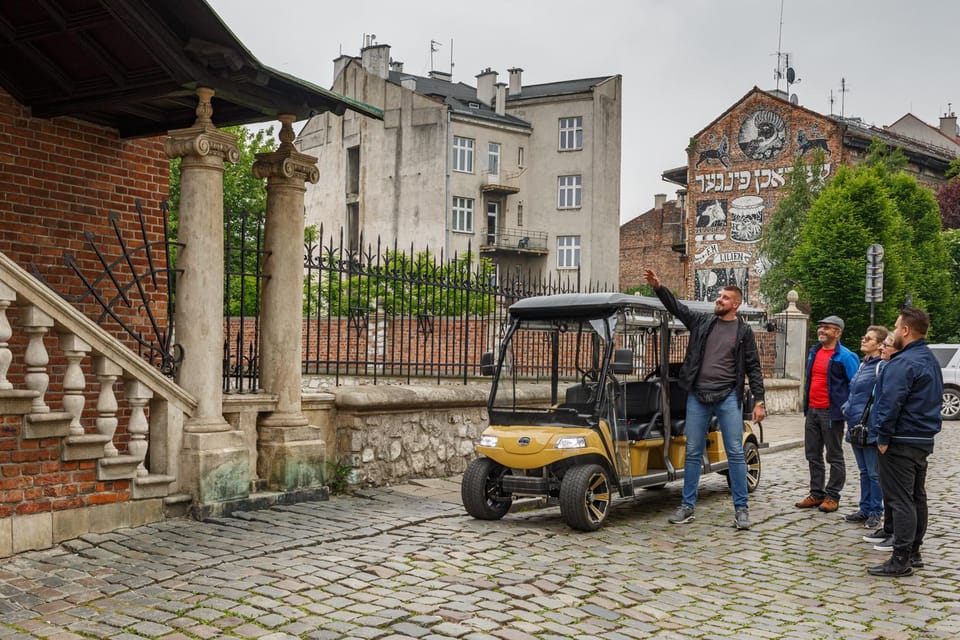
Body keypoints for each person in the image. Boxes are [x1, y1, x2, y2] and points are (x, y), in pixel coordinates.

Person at [642, 269, 765, 530]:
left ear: (736, 303)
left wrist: (759, 401)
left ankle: (741, 509)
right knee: (693, 452)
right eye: (719, 296)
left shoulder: (743, 332)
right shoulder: (702, 322)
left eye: (724, 297)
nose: (718, 299)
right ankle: (687, 506)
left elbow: (753, 367)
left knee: (735, 452)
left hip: (727, 397)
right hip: (697, 396)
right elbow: (677, 308)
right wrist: (659, 287)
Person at [867, 307, 942, 577]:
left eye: (897, 327)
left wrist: (883, 437)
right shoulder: (928, 358)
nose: (895, 331)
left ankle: (901, 559)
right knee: (916, 496)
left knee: (900, 500)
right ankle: (914, 551)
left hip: (900, 439)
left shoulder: (903, 362)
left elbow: (889, 403)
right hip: (921, 438)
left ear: (906, 330)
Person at [795, 315, 860, 513]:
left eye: (827, 328)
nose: (821, 330)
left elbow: (856, 386)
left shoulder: (846, 357)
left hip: (832, 413)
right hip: (812, 411)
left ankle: (833, 496)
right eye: (821, 327)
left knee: (834, 455)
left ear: (837, 332)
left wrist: (848, 410)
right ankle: (816, 493)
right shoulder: (814, 352)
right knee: (812, 454)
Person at [841, 326, 888, 529]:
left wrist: (876, 425)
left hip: (869, 427)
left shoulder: (882, 367)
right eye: (864, 336)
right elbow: (854, 393)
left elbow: (883, 398)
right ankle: (865, 508)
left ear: (879, 345)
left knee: (874, 473)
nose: (863, 340)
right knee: (863, 471)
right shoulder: (862, 365)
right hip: (855, 425)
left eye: (868, 338)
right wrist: (846, 408)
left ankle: (876, 511)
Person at [862, 333, 898, 551]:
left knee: (887, 482)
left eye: (887, 344)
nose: (883, 347)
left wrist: (883, 436)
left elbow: (889, 402)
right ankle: (886, 526)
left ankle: (895, 534)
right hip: (872, 426)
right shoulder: (880, 366)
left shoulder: (894, 368)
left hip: (890, 435)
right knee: (870, 473)